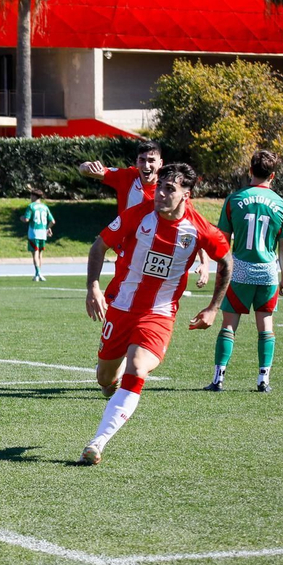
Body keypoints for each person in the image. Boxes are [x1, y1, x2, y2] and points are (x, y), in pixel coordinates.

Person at [80, 163, 232, 465]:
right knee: (105, 378)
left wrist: (214, 308)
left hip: (159, 315)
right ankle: (113, 389)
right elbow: (99, 246)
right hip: (121, 308)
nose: (160, 193)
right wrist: (93, 287)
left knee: (137, 369)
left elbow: (226, 262)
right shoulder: (139, 214)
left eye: (169, 189)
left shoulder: (200, 229)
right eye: (160, 187)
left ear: (186, 195)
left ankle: (97, 442)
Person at [207, 151, 283, 393]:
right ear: (273, 175)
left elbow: (222, 240)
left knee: (228, 326)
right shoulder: (281, 205)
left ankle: (218, 378)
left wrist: (219, 271)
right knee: (265, 325)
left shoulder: (234, 200)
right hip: (267, 271)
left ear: (250, 171)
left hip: (240, 270)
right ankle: (263, 380)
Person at [80, 140, 208, 287]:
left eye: (151, 160)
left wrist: (204, 262)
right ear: (137, 162)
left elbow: (192, 226)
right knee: (120, 298)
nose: (146, 166)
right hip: (128, 253)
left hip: (159, 253)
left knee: (155, 296)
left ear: (160, 163)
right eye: (142, 160)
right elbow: (85, 169)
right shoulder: (127, 177)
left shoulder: (171, 190)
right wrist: (87, 166)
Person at [23, 190, 55, 281]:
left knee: (35, 254)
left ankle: (38, 273)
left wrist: (21, 218)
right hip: (42, 233)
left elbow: (26, 219)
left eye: (31, 196)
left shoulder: (31, 206)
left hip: (34, 233)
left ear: (34, 196)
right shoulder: (45, 207)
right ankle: (39, 273)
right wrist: (47, 228)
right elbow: (52, 221)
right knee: (40, 254)